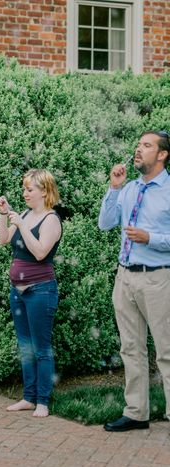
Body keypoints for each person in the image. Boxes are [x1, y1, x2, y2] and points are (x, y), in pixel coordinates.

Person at [99, 131, 170, 432]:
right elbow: (105, 224)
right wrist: (114, 189)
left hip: (159, 278)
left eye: (147, 145)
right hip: (125, 277)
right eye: (138, 144)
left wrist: (149, 238)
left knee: (167, 350)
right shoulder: (128, 189)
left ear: (163, 154)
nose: (138, 149)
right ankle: (136, 413)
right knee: (131, 348)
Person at [0, 169, 62, 418]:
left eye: (29, 189)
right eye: (24, 189)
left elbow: (40, 252)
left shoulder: (51, 219)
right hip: (18, 291)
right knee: (25, 347)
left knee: (41, 348)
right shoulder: (23, 214)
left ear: (44, 191)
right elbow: (3, 240)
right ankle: (28, 398)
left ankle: (43, 401)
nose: (24, 193)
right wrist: (4, 215)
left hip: (40, 290)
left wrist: (22, 225)